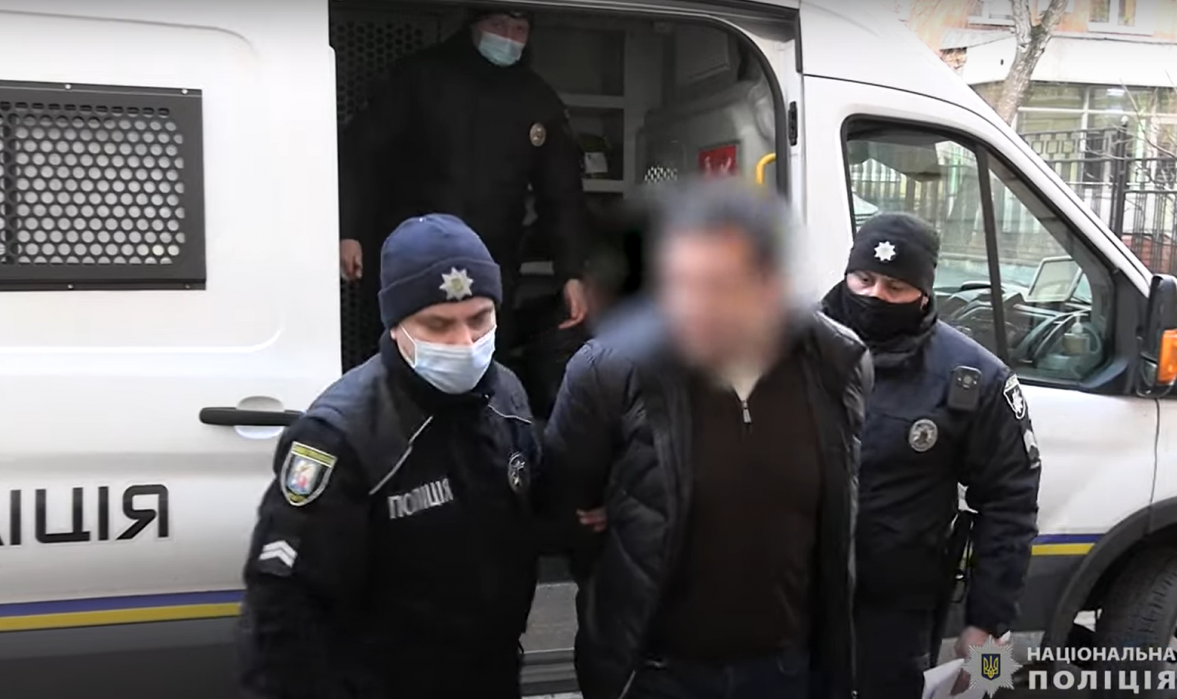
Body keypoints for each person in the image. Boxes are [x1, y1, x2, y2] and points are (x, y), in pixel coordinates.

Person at [545, 180, 872, 699]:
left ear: (772, 285)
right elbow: (565, 501)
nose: (692, 307)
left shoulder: (836, 364)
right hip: (656, 674)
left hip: (785, 671)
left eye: (718, 286)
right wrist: (622, 516)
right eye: (679, 282)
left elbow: (834, 521)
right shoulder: (611, 370)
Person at [238, 214, 543, 699]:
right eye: (438, 325)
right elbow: (283, 611)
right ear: (397, 325)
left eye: (479, 319)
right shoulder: (341, 435)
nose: (465, 343)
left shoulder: (507, 396)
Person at [819, 212, 1042, 699]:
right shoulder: (790, 349)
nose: (876, 296)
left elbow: (1010, 503)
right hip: (785, 602)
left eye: (895, 287)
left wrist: (988, 625)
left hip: (893, 612)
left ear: (924, 292)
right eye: (864, 279)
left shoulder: (973, 378)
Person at [338, 7, 590, 365]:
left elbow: (562, 193)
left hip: (492, 261)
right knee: (400, 359)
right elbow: (361, 151)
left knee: (483, 359)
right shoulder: (420, 76)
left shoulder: (538, 99)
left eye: (519, 29)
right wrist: (349, 231)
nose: (508, 37)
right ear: (473, 25)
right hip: (410, 256)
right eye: (498, 25)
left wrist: (571, 273)